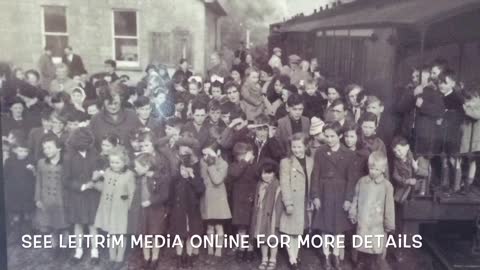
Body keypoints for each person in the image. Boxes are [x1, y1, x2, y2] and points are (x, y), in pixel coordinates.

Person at [311, 122, 356, 270]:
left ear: (340, 136)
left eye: (332, 136)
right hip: (324, 192)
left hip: (341, 193)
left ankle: (336, 255)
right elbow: (315, 175)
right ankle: (326, 255)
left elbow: (351, 179)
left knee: (338, 227)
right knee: (324, 227)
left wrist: (349, 199)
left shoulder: (349, 154)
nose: (329, 139)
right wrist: (315, 195)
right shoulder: (320, 152)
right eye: (327, 136)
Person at [349, 151, 395, 270]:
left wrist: (389, 224)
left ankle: (375, 265)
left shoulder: (387, 186)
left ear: (383, 169)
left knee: (376, 250)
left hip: (377, 225)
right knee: (361, 247)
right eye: (371, 168)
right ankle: (360, 264)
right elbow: (356, 198)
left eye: (376, 170)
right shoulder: (362, 181)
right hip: (363, 222)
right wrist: (353, 212)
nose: (373, 172)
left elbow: (389, 207)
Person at [63, 127, 101, 264]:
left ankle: (94, 252)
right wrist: (83, 186)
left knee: (92, 224)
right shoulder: (68, 158)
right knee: (78, 224)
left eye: (88, 144)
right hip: (77, 196)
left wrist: (98, 173)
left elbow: (99, 167)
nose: (86, 147)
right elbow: (65, 181)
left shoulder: (94, 152)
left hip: (92, 196)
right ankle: (78, 251)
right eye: (83, 145)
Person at [93, 146, 135, 268]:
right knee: (111, 233)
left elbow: (131, 193)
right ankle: (112, 257)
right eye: (112, 162)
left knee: (120, 234)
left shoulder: (129, 175)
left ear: (124, 162)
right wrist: (94, 182)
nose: (114, 165)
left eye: (117, 162)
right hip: (107, 207)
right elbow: (104, 187)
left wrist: (129, 208)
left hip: (121, 209)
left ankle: (119, 258)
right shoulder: (107, 172)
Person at [168, 140, 205, 269]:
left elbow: (200, 189)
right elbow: (171, 194)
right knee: (179, 234)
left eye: (186, 167)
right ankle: (179, 257)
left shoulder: (194, 176)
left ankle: (189, 257)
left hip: (191, 210)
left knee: (190, 234)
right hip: (179, 210)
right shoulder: (176, 178)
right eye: (182, 168)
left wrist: (192, 176)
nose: (184, 170)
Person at [279, 133, 313, 269]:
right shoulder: (286, 162)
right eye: (294, 147)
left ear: (305, 146)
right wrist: (288, 203)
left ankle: (295, 254)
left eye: (299, 147)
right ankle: (292, 258)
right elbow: (284, 183)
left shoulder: (311, 160)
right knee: (289, 230)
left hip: (305, 200)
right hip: (293, 200)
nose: (297, 150)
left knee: (299, 230)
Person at [133, 153, 171, 270]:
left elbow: (164, 195)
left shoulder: (160, 178)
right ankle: (146, 258)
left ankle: (154, 259)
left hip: (155, 211)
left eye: (137, 166)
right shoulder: (140, 178)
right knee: (145, 236)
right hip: (143, 212)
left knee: (154, 235)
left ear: (147, 166)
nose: (135, 168)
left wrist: (150, 201)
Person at [33, 135, 68, 257]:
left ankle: (64, 248)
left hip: (61, 200)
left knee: (64, 226)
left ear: (59, 148)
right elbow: (38, 181)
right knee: (51, 225)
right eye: (44, 148)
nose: (46, 150)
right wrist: (37, 198)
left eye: (49, 147)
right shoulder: (41, 163)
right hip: (47, 199)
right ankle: (54, 247)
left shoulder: (66, 163)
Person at [199, 142, 231, 261]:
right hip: (207, 197)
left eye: (209, 153)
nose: (206, 156)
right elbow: (203, 178)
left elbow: (217, 180)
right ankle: (210, 249)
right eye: (205, 153)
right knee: (209, 226)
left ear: (218, 153)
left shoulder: (223, 164)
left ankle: (218, 249)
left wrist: (211, 165)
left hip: (218, 198)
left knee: (219, 225)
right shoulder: (204, 161)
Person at [228, 142, 257, 262]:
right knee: (241, 227)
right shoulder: (234, 166)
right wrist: (244, 161)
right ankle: (241, 248)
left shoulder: (254, 166)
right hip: (240, 201)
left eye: (248, 154)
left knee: (251, 226)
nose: (248, 157)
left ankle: (249, 249)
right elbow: (234, 174)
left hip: (252, 199)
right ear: (237, 156)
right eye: (244, 155)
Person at [250, 160, 282, 270]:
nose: (267, 176)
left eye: (269, 173)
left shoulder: (277, 185)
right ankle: (264, 259)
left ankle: (272, 259)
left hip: (272, 216)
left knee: (272, 238)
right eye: (264, 173)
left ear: (274, 173)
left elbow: (278, 203)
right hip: (261, 214)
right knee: (263, 238)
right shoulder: (259, 185)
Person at [437, 70, 464, 192]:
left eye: (445, 82)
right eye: (440, 82)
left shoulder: (457, 98)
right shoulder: (439, 97)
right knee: (444, 158)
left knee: (453, 159)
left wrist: (445, 116)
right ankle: (445, 184)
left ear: (453, 83)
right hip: (443, 134)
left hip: (453, 134)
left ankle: (457, 185)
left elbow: (459, 116)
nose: (441, 85)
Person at [3, 136, 35, 232]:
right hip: (14, 195)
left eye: (26, 151)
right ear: (15, 150)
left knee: (27, 217)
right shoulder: (9, 162)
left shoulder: (30, 162)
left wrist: (33, 170)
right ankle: (15, 236)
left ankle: (26, 236)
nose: (23, 154)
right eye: (21, 151)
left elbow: (35, 178)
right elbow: (5, 176)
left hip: (27, 195)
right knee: (15, 217)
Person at [459, 88, 480, 193]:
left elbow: (476, 115)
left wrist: (467, 108)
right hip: (467, 138)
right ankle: (465, 183)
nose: (468, 102)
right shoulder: (469, 105)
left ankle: (468, 183)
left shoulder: (476, 105)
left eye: (470, 99)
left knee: (472, 162)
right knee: (466, 161)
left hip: (476, 140)